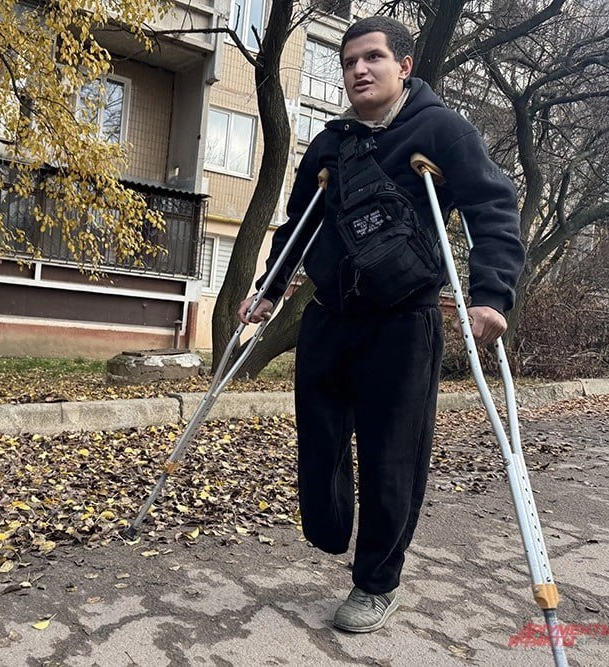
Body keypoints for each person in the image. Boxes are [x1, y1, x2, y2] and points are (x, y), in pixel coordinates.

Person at [237, 16, 524, 633]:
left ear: (404, 67)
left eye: (372, 58)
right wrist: (268, 289)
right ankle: (331, 528)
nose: (358, 70)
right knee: (318, 436)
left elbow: (493, 207)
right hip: (329, 316)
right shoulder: (331, 142)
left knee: (392, 457)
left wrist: (491, 295)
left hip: (402, 323)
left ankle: (376, 583)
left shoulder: (441, 129)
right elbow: (299, 224)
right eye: (348, 62)